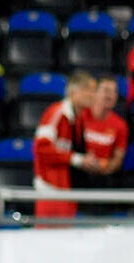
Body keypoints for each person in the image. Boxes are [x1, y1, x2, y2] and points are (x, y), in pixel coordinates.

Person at [34, 72, 98, 225]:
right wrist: (77, 159)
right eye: (90, 90)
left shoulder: (79, 118)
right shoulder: (57, 113)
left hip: (66, 188)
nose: (94, 95)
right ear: (75, 91)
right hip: (50, 188)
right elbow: (41, 149)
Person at [78, 75, 130, 191]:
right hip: (80, 170)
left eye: (114, 91)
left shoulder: (120, 125)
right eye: (106, 90)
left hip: (103, 176)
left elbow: (118, 158)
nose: (110, 95)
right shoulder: (81, 116)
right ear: (95, 93)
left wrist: (104, 166)